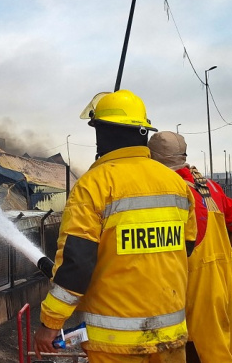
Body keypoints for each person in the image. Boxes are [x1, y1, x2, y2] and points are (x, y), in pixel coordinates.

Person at [34, 90, 197, 363]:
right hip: (170, 337)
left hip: (114, 344)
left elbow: (77, 264)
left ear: (102, 132)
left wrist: (50, 323)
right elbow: (187, 246)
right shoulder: (176, 184)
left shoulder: (93, 185)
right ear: (143, 131)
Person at [148, 132, 232, 363]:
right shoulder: (209, 186)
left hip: (190, 289)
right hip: (222, 283)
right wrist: (221, 257)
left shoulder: (170, 189)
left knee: (184, 351)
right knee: (219, 353)